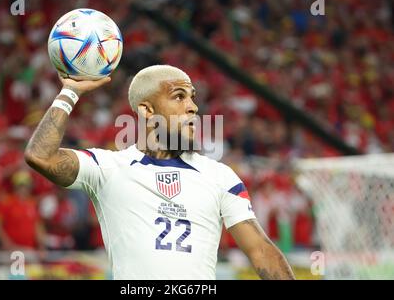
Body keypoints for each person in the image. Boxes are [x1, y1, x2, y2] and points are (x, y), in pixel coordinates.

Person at [25, 65, 295, 280]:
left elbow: (260, 251)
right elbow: (40, 157)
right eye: (179, 96)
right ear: (147, 110)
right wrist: (70, 91)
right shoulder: (108, 168)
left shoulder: (220, 177)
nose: (193, 107)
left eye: (192, 98)